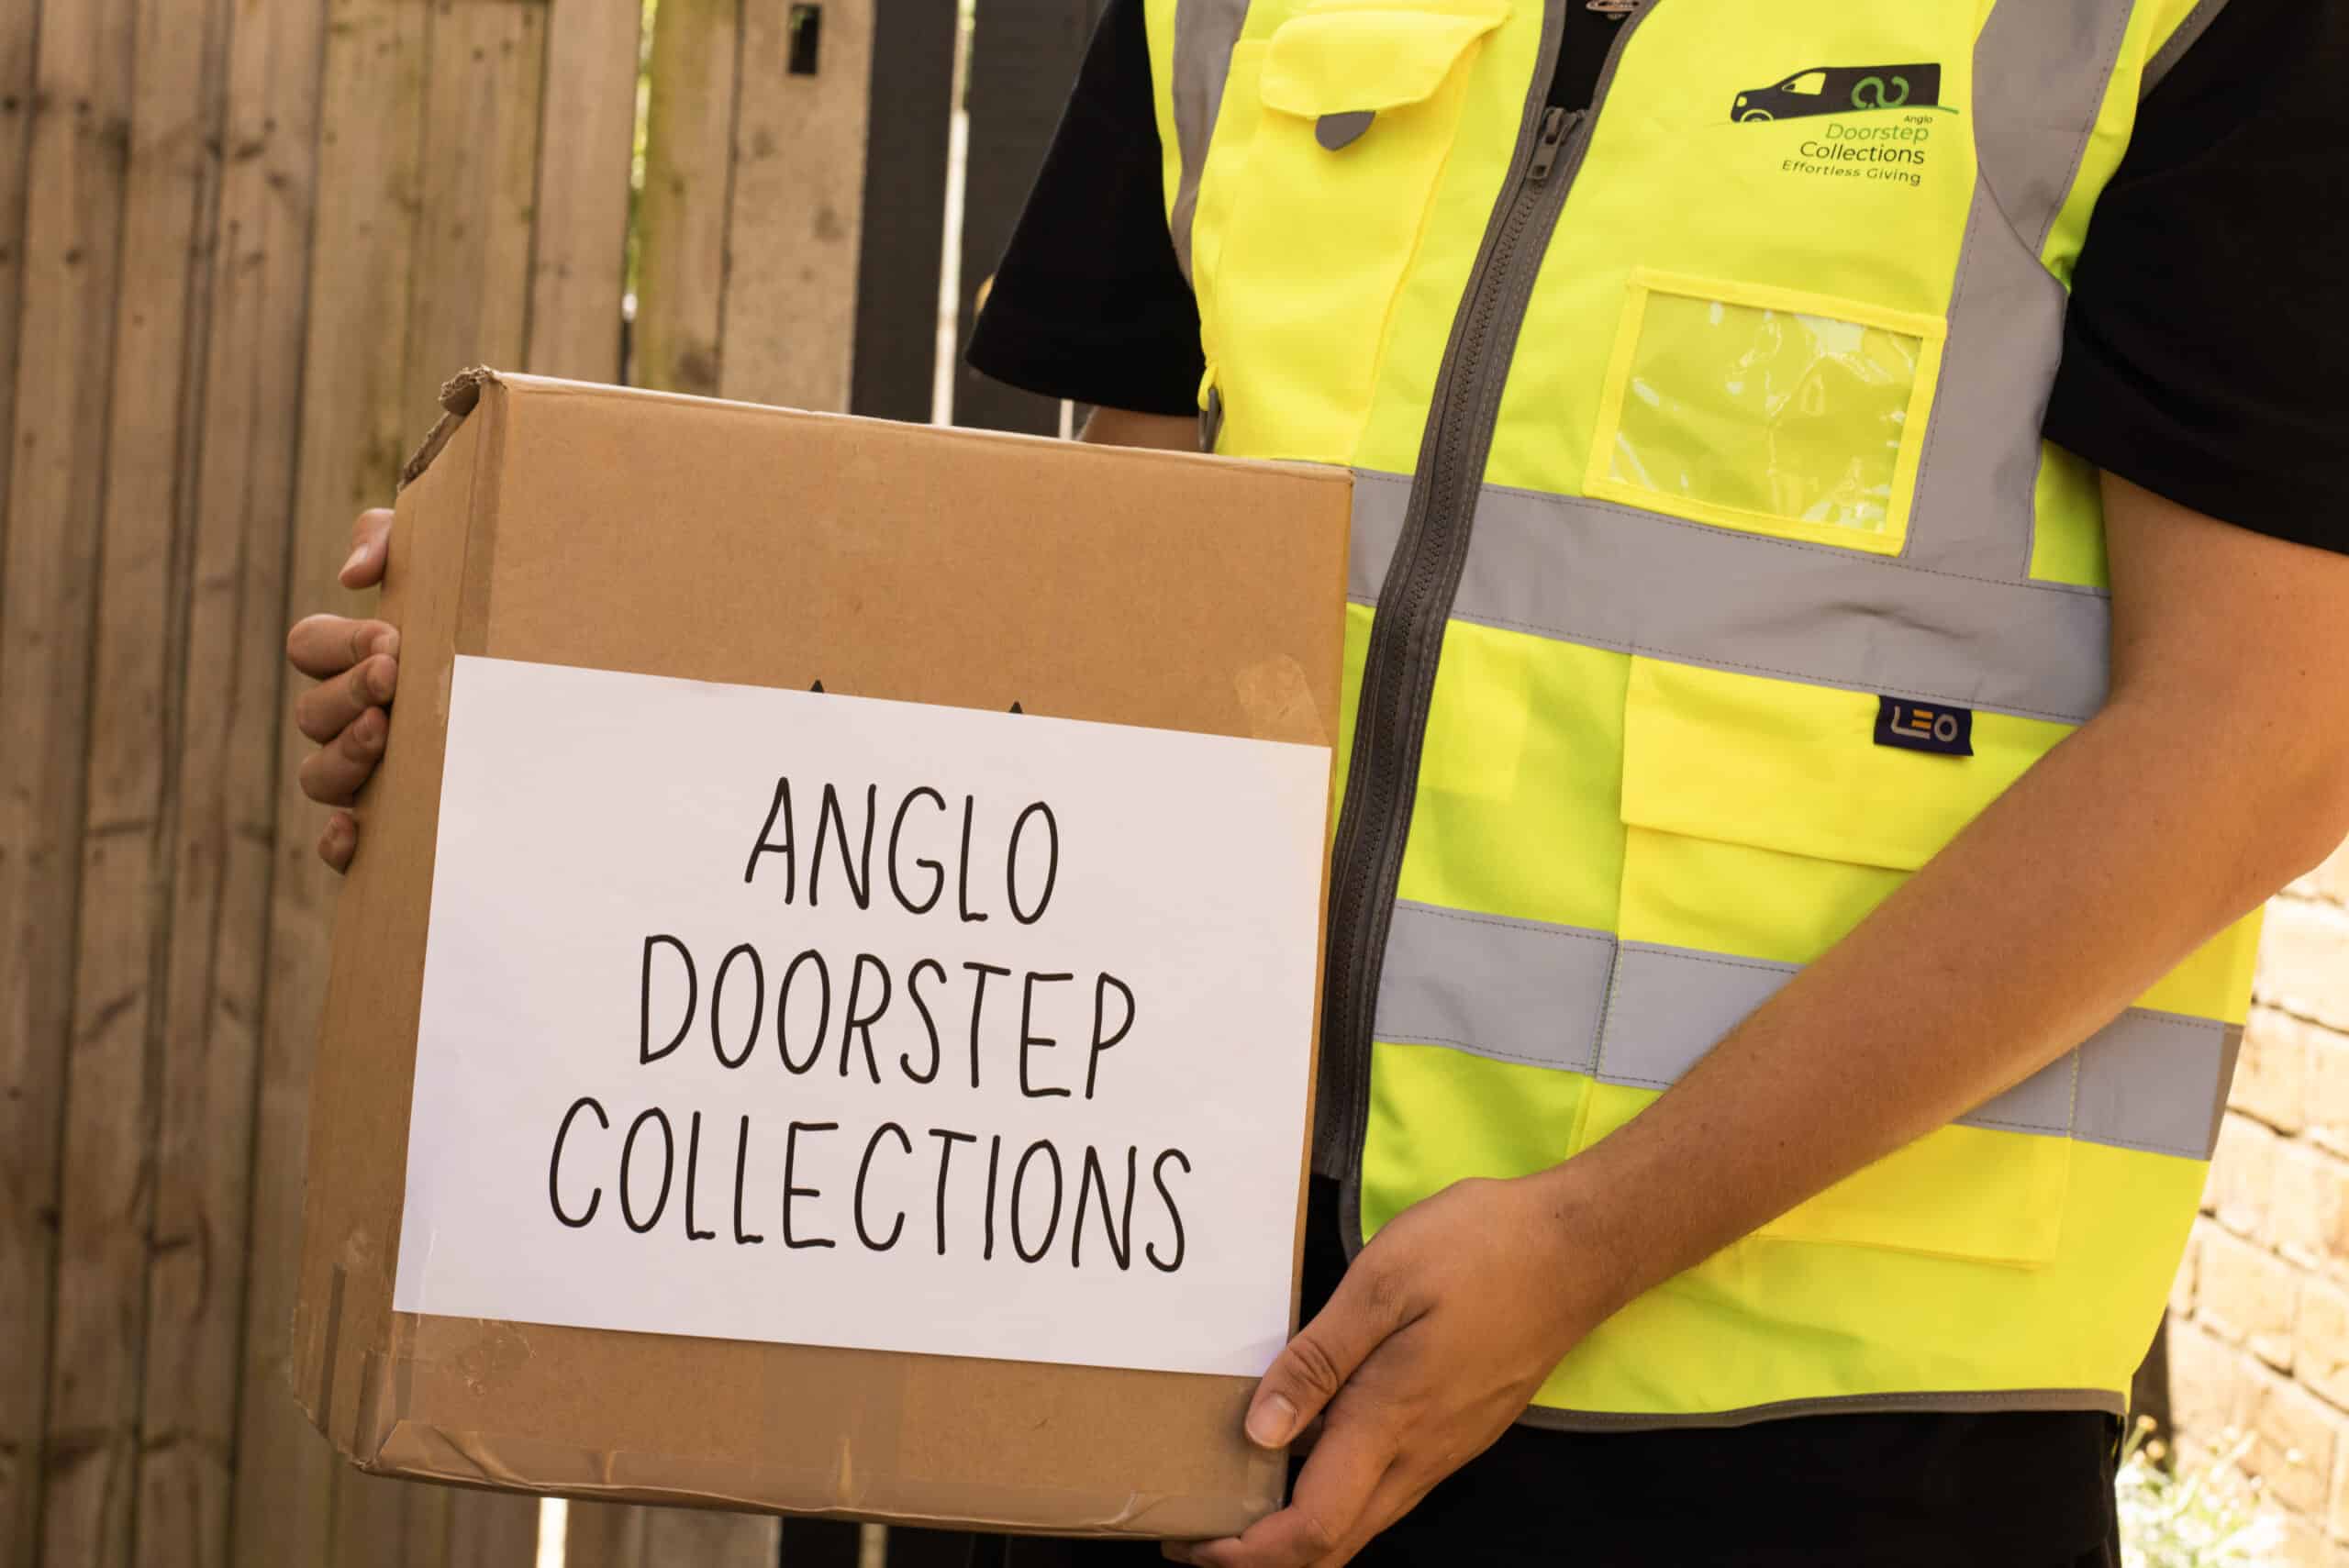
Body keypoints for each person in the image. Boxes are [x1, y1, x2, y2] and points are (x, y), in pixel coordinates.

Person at [290, 0, 2349, 1562]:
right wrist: (542, 727)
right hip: (1147, 1349)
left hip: (1823, 1435)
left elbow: (2266, 733)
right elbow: (1099, 636)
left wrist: (1583, 1244)